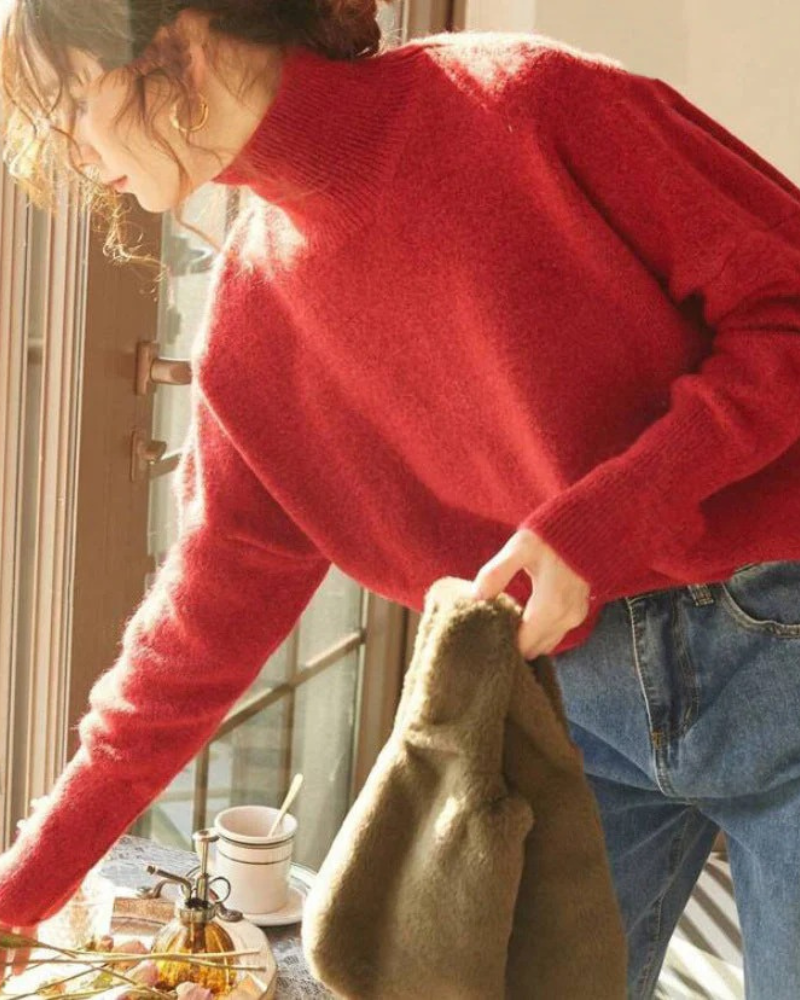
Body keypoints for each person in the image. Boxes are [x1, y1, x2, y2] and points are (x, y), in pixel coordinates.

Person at [1, 1, 799, 996]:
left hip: (774, 627)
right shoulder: (252, 324)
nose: (73, 153)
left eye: (75, 102)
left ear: (180, 43)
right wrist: (22, 890)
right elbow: (193, 639)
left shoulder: (521, 103)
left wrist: (602, 522)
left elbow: (786, 308)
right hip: (564, 709)